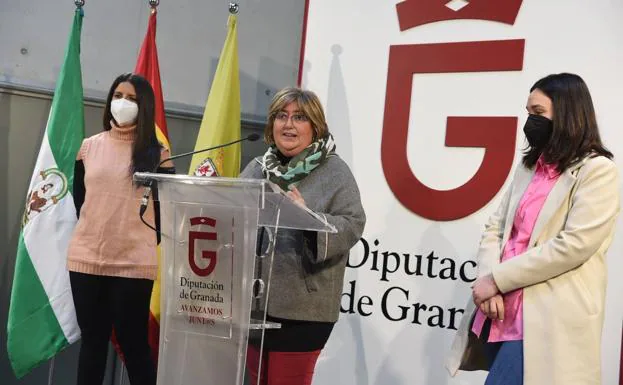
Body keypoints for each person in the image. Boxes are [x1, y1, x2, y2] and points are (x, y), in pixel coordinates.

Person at [446, 73, 620, 385]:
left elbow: (574, 245)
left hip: (547, 318)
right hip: (503, 311)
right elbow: (496, 227)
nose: (530, 121)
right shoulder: (530, 167)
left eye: (538, 113)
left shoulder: (598, 171)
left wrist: (497, 279)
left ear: (567, 114)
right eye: (528, 112)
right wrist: (488, 281)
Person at [240, 87, 366, 385]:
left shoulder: (334, 171)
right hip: (252, 305)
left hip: (302, 310)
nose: (288, 124)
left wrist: (308, 218)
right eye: (281, 116)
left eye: (299, 117)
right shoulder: (257, 169)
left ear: (315, 127)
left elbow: (353, 223)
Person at [67, 73, 174, 385]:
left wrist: (135, 240)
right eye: (118, 95)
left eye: (132, 99)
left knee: (134, 345)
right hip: (86, 259)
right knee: (93, 343)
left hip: (133, 264)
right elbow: (80, 203)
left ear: (144, 107)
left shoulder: (158, 154)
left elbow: (166, 211)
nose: (122, 103)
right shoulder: (88, 148)